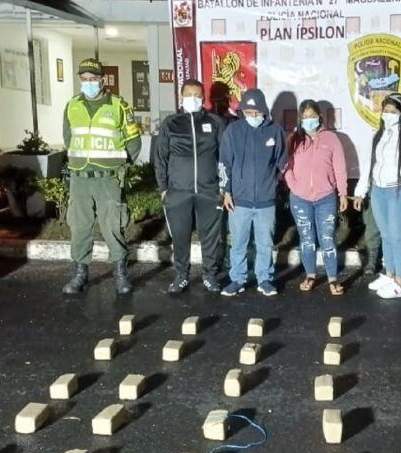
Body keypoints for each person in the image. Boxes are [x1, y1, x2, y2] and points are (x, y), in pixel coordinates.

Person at [61, 57, 142, 295]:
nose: (88, 83)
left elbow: (133, 142)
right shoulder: (72, 106)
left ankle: (120, 273)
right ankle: (79, 274)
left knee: (113, 226)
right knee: (79, 227)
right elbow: (69, 139)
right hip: (80, 179)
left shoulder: (119, 106)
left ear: (102, 80)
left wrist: (121, 167)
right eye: (84, 79)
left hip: (108, 178)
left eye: (93, 79)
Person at [353, 93, 401, 299]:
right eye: (385, 111)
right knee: (386, 235)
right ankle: (389, 275)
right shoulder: (379, 134)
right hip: (378, 191)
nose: (388, 114)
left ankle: (400, 282)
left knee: (397, 237)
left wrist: (400, 171)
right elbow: (368, 166)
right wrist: (360, 192)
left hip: (399, 190)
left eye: (393, 111)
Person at [155, 79, 226, 294]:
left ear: (203, 99)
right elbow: (160, 158)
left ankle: (210, 275)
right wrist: (163, 188)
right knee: (180, 236)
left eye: (197, 95)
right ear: (181, 96)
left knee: (210, 237)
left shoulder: (215, 122)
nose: (193, 99)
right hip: (178, 192)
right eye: (189, 95)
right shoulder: (170, 123)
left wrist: (223, 188)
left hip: (209, 191)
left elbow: (224, 156)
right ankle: (181, 276)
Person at [218, 89, 287, 297]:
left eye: (256, 113)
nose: (253, 117)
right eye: (248, 113)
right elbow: (224, 163)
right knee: (238, 242)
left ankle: (264, 279)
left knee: (265, 242)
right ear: (242, 112)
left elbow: (282, 161)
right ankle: (237, 279)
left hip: (266, 200)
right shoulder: (233, 131)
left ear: (264, 111)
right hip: (239, 200)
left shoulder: (275, 131)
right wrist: (226, 192)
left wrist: (276, 183)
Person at [284, 99, 349, 295]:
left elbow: (340, 168)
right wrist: (294, 185)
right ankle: (310, 275)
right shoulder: (294, 139)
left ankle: (332, 278)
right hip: (300, 198)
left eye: (312, 116)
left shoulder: (331, 139)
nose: (309, 120)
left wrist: (343, 193)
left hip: (326, 197)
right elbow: (285, 166)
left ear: (320, 117)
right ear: (300, 119)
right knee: (306, 239)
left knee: (327, 238)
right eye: (304, 117)